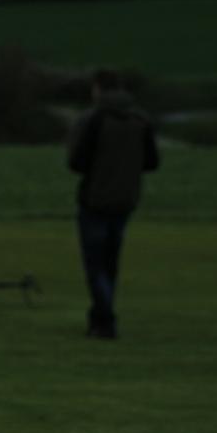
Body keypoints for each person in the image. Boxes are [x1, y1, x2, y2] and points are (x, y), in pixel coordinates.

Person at [66, 67, 160, 339]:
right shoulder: (140, 119)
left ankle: (104, 319)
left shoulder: (94, 119)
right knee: (111, 262)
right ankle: (100, 316)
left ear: (97, 89)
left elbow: (77, 162)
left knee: (95, 264)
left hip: (94, 199)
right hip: (126, 199)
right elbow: (152, 161)